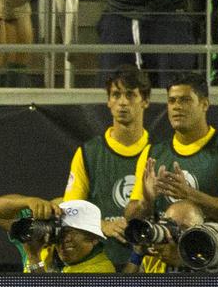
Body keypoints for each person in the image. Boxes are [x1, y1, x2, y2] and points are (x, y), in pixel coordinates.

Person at [125, 73, 218, 224]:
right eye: (172, 101)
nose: (177, 106)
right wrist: (146, 201)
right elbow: (131, 219)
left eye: (185, 100)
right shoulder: (152, 153)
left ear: (204, 104)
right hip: (164, 247)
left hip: (208, 246)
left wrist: (190, 195)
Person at [61, 66, 152, 269]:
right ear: (108, 101)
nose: (122, 102)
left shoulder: (158, 153)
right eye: (116, 95)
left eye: (130, 95)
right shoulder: (88, 153)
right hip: (100, 263)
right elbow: (70, 211)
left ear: (145, 101)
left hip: (146, 264)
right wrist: (103, 225)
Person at [0, 197, 115, 273]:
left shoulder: (100, 271)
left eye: (73, 232)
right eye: (60, 231)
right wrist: (28, 201)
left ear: (94, 238)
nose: (65, 239)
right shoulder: (40, 244)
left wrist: (34, 258)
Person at [136, 199, 206, 273]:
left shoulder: (210, 257)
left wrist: (185, 261)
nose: (174, 233)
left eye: (184, 228)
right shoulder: (153, 256)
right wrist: (137, 254)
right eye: (170, 225)